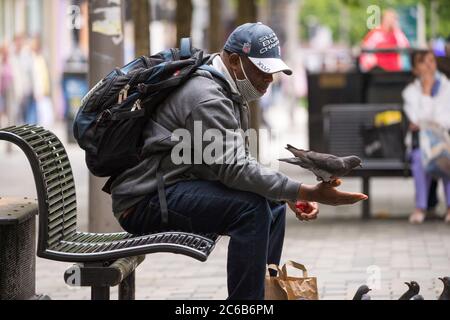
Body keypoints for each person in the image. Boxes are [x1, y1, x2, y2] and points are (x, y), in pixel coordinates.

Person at [111, 23, 367, 300]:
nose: (269, 80)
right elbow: (235, 170)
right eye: (262, 70)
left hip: (171, 186)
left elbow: (236, 160)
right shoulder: (207, 97)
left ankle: (264, 293)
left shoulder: (225, 87)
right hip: (144, 202)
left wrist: (283, 194)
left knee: (273, 205)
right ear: (235, 61)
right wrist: (303, 191)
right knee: (251, 209)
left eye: (273, 72)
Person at [403, 49, 450, 224]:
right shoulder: (410, 92)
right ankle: (420, 207)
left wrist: (426, 120)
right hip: (420, 145)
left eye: (431, 60)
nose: (429, 65)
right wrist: (427, 91)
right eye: (423, 62)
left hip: (444, 143)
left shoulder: (447, 87)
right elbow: (417, 119)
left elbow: (445, 120)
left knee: (446, 157)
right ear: (415, 69)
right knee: (418, 159)